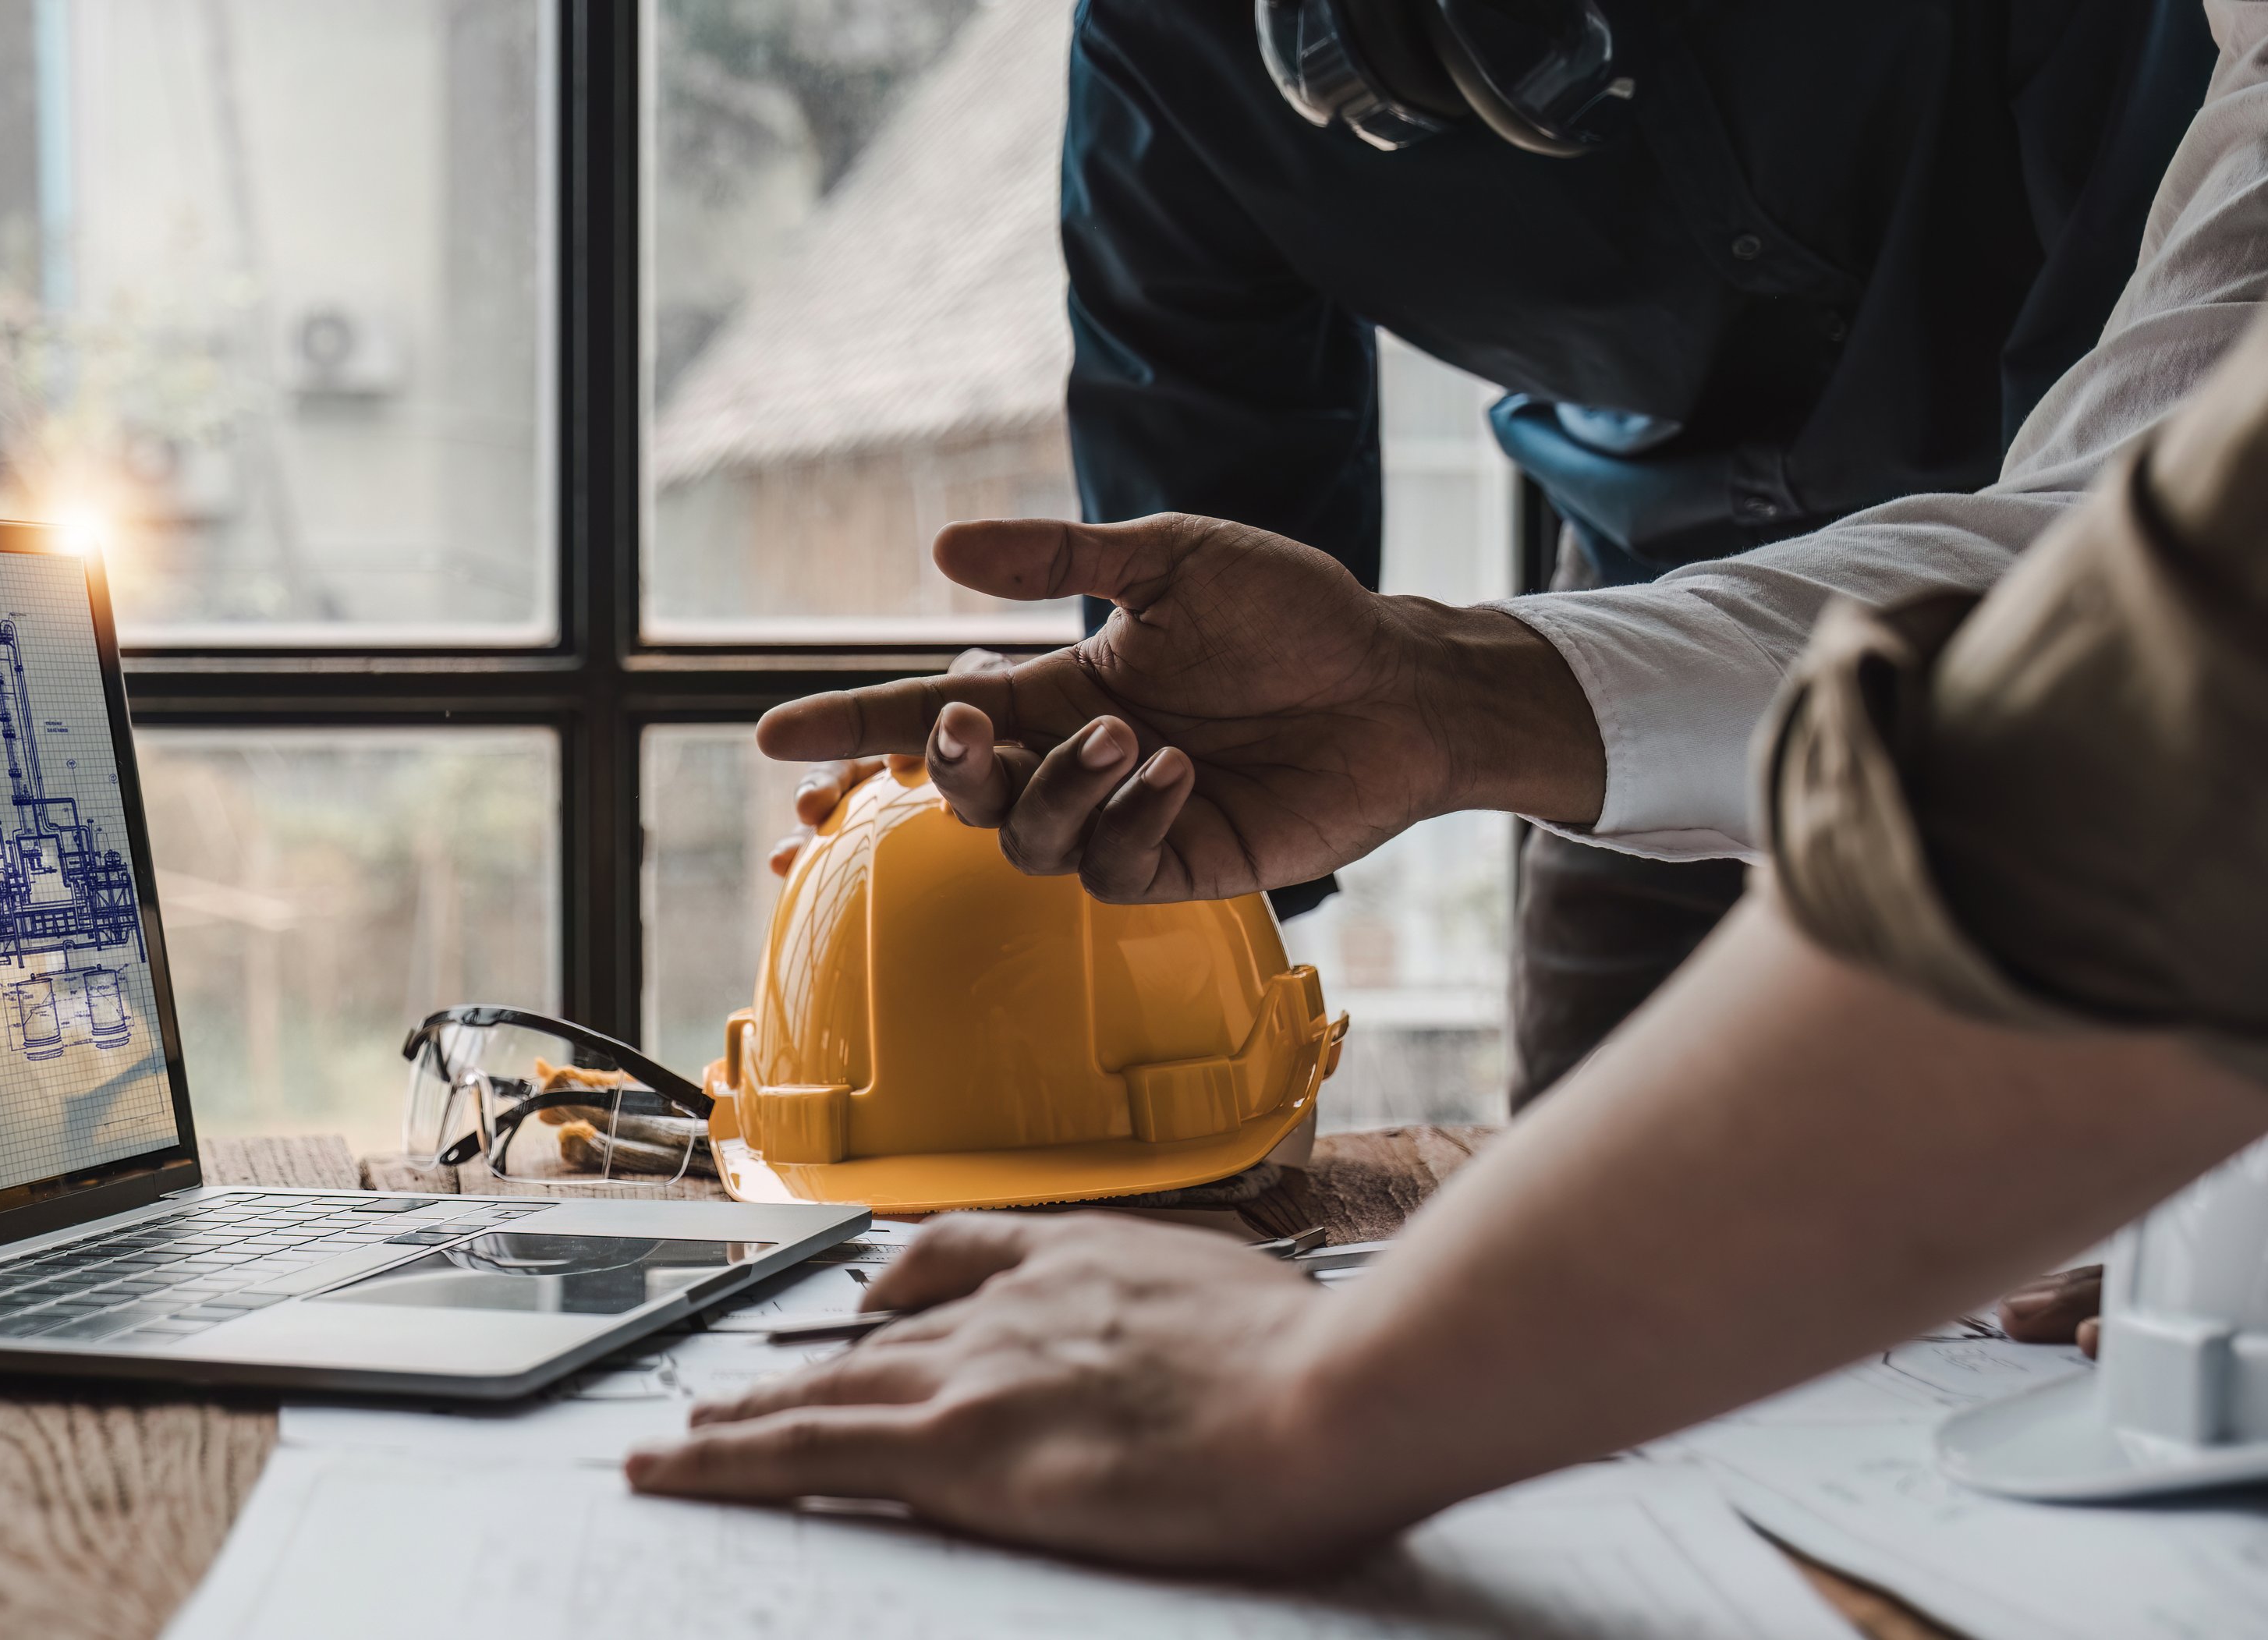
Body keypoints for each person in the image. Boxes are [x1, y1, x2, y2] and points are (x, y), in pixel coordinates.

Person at [619, 5, 2268, 1563]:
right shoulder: (1168, 53)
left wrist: (1341, 1390)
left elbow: (2159, 664)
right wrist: (1422, 699)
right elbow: (2132, 540)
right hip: (1663, 604)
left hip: (1962, 616)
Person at [775, 0, 2213, 1107]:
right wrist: (1091, 805)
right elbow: (1211, 641)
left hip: (2139, 582)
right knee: (1605, 1240)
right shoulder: (1173, 49)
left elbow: (2150, 522)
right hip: (1651, 606)